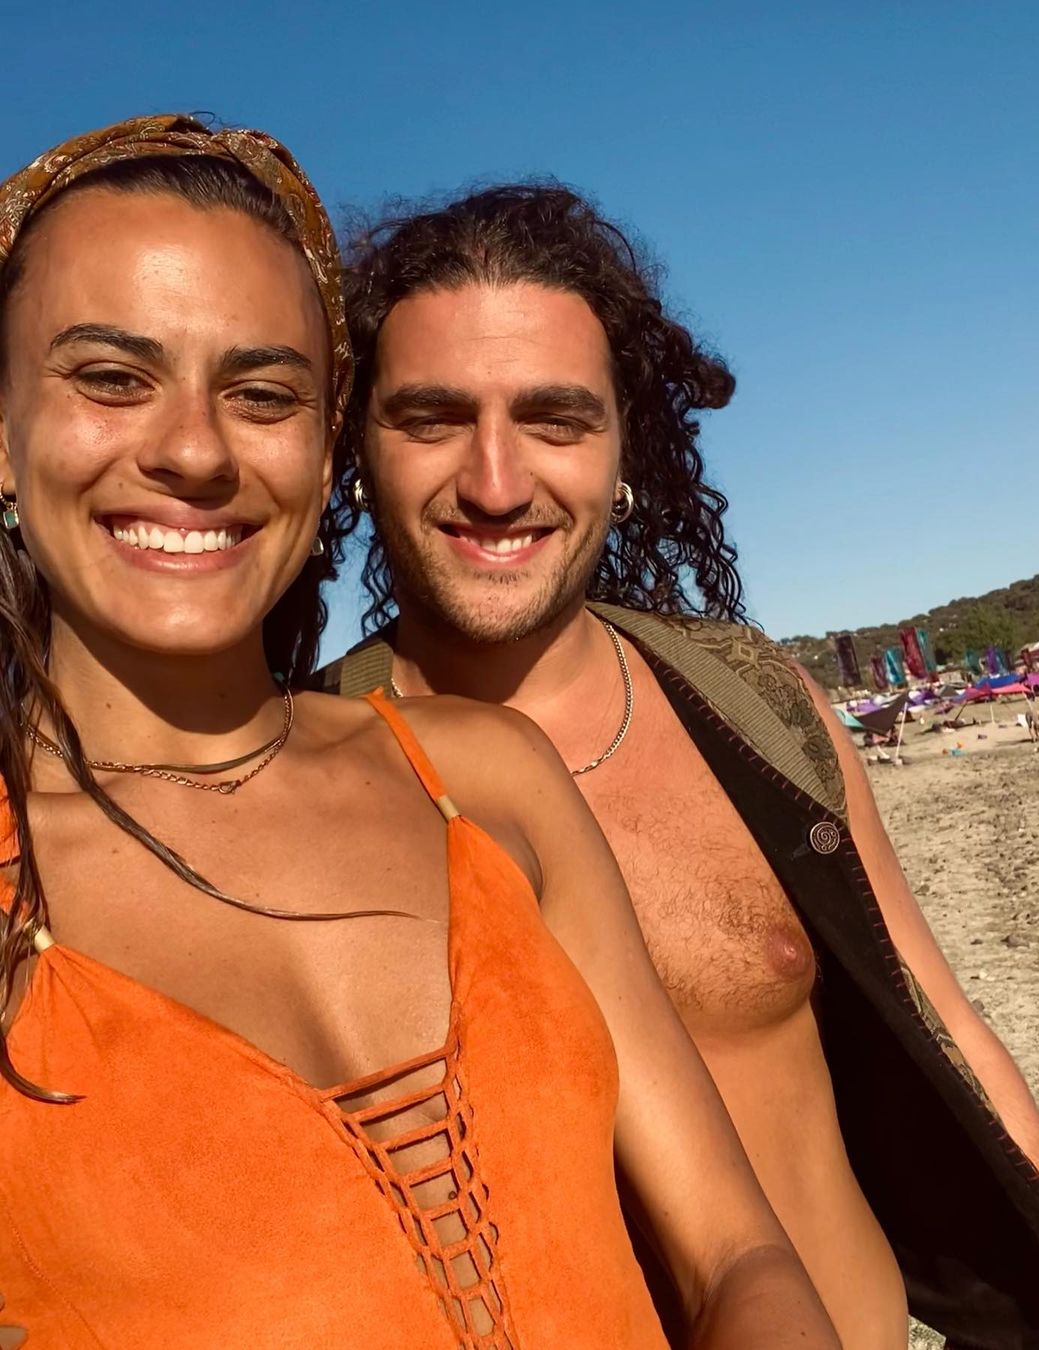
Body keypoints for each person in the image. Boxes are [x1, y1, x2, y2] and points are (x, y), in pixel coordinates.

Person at [0, 120, 841, 1349]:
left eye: (263, 394)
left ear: (322, 448)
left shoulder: (479, 773)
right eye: (113, 379)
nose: (193, 449)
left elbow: (735, 1253)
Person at [320, 185, 1039, 1348]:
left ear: (624, 449)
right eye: (432, 418)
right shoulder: (307, 774)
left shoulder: (755, 704)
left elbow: (949, 1028)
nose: (496, 482)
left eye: (556, 420)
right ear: (357, 453)